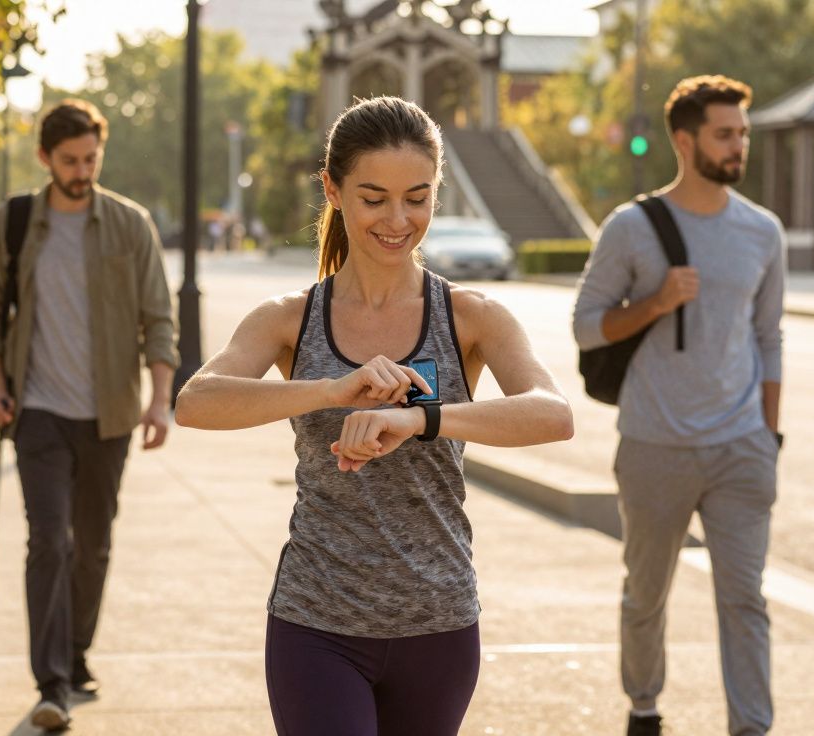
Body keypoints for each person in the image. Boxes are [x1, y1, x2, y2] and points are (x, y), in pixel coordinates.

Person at [174, 96, 575, 735]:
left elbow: (553, 414)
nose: (397, 219)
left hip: (438, 621)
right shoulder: (290, 317)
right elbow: (196, 402)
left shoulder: (471, 316)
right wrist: (331, 390)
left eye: (417, 198)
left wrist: (422, 420)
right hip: (316, 622)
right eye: (373, 198)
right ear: (332, 191)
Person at [572, 75, 785, 736]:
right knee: (646, 594)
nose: (739, 145)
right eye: (725, 134)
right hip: (654, 444)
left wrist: (770, 435)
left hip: (741, 445)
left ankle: (752, 727)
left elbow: (769, 339)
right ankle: (644, 707)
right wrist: (656, 303)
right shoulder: (632, 227)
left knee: (745, 599)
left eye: (742, 133)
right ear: (685, 141)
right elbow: (586, 326)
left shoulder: (762, 231)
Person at [0, 98, 178, 731]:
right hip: (37, 411)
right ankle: (52, 683)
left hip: (109, 414)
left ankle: (75, 650)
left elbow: (158, 318)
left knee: (92, 546)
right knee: (49, 543)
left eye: (91, 159)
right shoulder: (16, 222)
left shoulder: (129, 224)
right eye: (70, 161)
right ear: (45, 158)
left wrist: (159, 400)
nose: (82, 171)